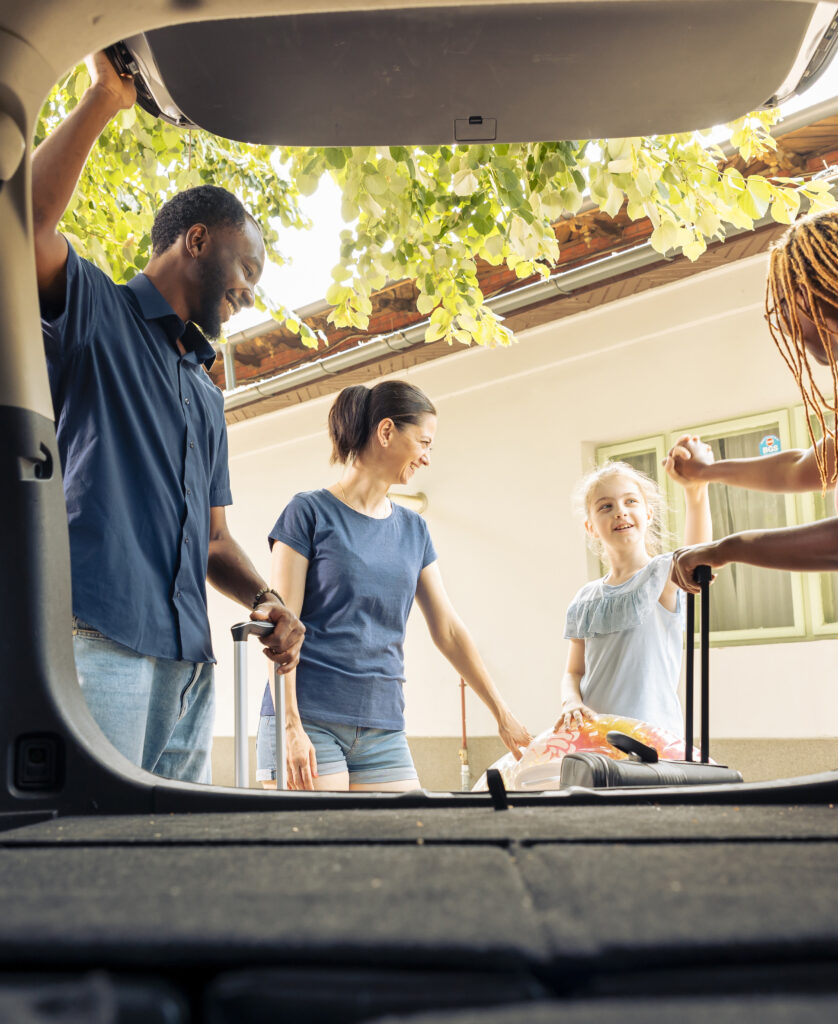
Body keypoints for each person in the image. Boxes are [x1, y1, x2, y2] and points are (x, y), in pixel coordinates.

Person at [33, 52, 304, 783]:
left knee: (169, 869)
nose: (250, 293)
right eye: (248, 270)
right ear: (197, 241)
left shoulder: (206, 390)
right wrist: (104, 99)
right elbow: (21, 224)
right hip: (99, 643)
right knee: (93, 858)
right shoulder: (97, 309)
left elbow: (214, 540)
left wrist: (268, 598)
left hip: (191, 671)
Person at [670, 206, 838, 747]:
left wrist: (729, 547)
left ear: (828, 286)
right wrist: (708, 471)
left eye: (789, 307)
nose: (787, 325)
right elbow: (803, 467)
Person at [257, 380, 533, 791]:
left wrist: (502, 713)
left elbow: (449, 630)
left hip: (382, 726)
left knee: (405, 846)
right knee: (322, 854)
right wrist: (290, 727)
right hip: (309, 717)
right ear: (386, 432)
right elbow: (280, 631)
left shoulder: (413, 529)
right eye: (423, 442)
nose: (426, 458)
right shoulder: (309, 513)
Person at [554, 450, 712, 739]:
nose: (620, 511)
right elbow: (573, 672)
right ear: (590, 527)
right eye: (605, 506)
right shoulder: (585, 598)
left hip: (655, 742)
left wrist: (695, 491)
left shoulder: (662, 575)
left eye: (630, 501)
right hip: (597, 741)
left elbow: (698, 556)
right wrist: (571, 701)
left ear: (648, 514)